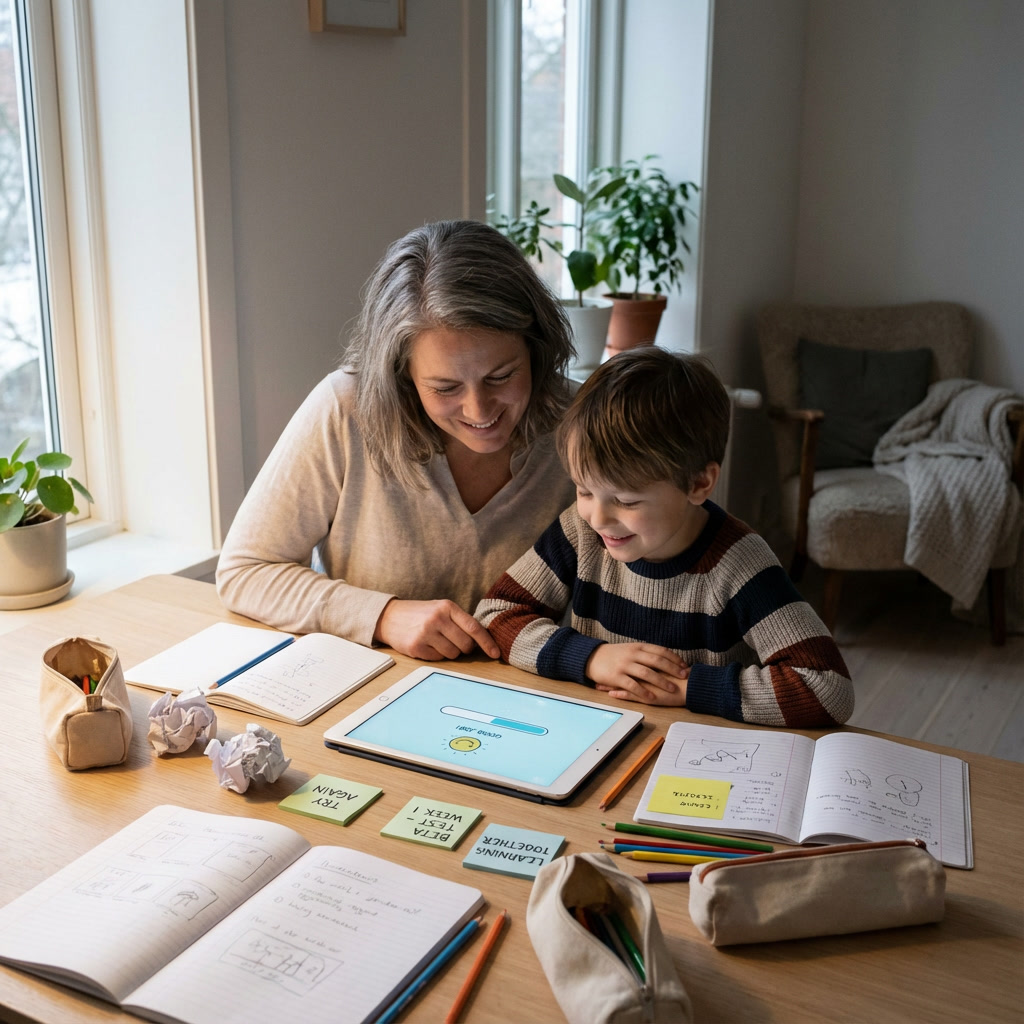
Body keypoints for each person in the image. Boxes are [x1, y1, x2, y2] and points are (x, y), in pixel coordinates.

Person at [217, 220, 578, 661]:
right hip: (371, 693)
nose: (480, 411)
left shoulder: (579, 422)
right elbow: (245, 572)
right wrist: (383, 615)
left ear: (536, 347)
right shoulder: (346, 408)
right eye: (445, 388)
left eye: (501, 376)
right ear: (402, 375)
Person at [475, 346, 854, 728]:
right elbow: (495, 616)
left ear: (698, 484)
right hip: (598, 730)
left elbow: (828, 687)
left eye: (626, 500)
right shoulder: (580, 531)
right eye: (584, 491)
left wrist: (688, 689)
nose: (599, 517)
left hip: (701, 751)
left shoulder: (740, 564)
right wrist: (592, 658)